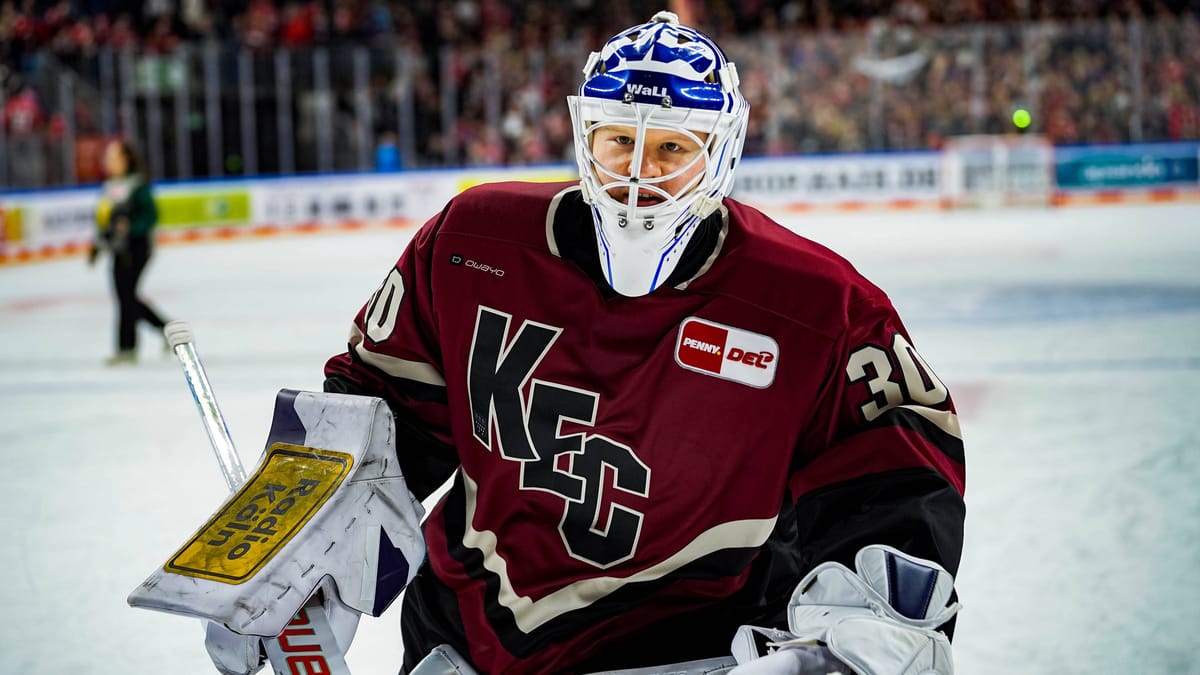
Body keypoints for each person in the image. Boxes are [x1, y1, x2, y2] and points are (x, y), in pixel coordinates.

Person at [212, 11, 965, 674]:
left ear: (721, 154)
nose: (639, 176)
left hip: (691, 651)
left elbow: (894, 484)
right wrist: (290, 553)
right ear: (583, 137)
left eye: (672, 148)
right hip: (469, 644)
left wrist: (858, 642)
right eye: (618, 143)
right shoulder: (469, 245)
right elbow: (380, 417)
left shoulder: (818, 306)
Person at [89, 138, 170, 365]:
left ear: (127, 159)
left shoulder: (137, 186)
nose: (109, 161)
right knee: (126, 297)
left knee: (126, 296)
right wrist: (98, 245)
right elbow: (106, 221)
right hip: (118, 249)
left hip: (137, 247)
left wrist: (131, 227)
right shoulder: (110, 187)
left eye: (114, 156)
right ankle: (165, 330)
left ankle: (127, 348)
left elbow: (150, 216)